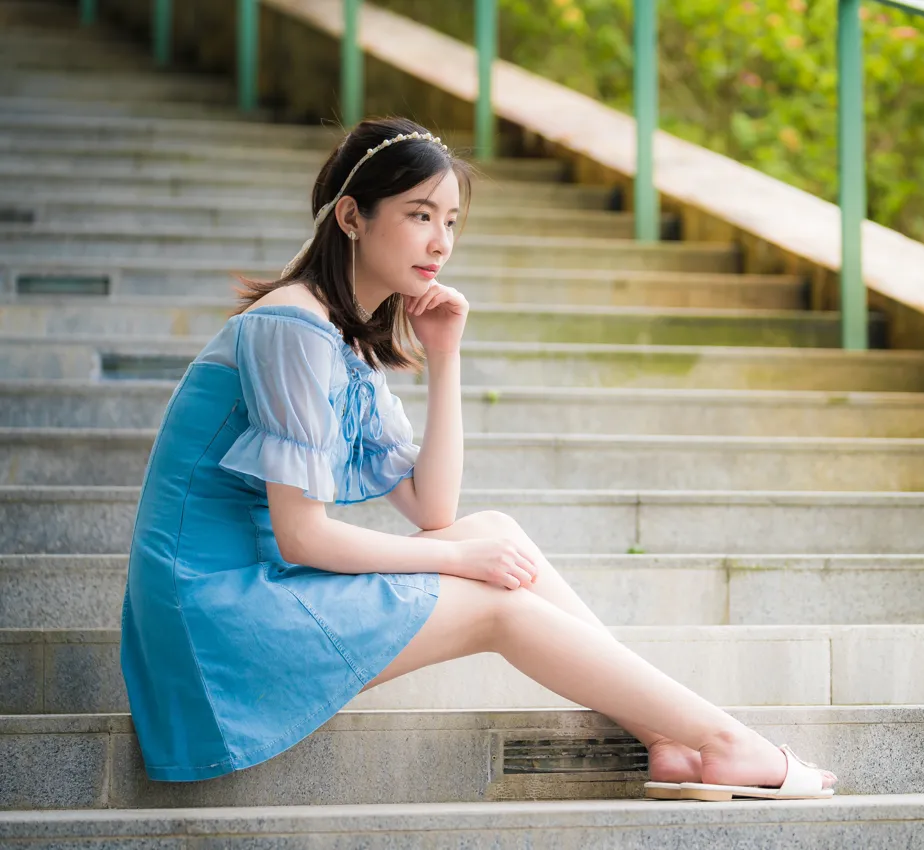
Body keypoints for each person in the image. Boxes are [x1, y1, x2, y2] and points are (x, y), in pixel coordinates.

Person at [119, 116, 837, 802]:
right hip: (213, 620)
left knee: (492, 529)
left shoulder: (339, 338)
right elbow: (302, 535)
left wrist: (445, 357)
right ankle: (720, 737)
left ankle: (670, 739)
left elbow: (433, 511)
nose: (441, 242)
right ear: (351, 217)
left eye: (452, 221)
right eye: (419, 214)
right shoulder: (292, 326)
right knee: (500, 604)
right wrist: (457, 562)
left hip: (254, 590)